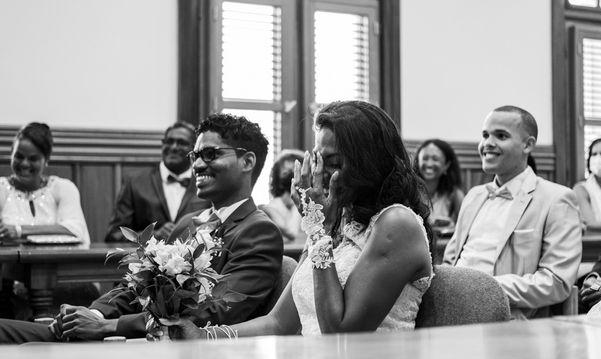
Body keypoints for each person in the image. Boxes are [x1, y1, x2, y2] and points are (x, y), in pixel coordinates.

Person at [162, 100, 434, 340]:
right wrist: (204, 335)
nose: (319, 173)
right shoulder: (337, 223)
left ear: (369, 163)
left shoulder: (396, 224)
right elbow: (277, 323)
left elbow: (341, 336)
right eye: (318, 160)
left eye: (334, 162)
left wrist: (317, 229)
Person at [0, 113, 283, 343]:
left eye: (210, 154)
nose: (197, 164)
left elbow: (213, 313)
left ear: (247, 161)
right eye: (194, 156)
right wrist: (95, 313)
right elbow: (137, 286)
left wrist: (108, 327)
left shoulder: (259, 232)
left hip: (174, 355)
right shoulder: (189, 223)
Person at [442, 106, 582, 319]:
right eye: (485, 135)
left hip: (508, 318)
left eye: (501, 136)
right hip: (451, 308)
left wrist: (482, 289)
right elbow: (449, 262)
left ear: (528, 144)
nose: (487, 143)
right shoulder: (473, 196)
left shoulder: (557, 199)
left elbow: (556, 282)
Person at [0, 122, 91, 319]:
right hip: (11, 281)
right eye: (18, 156)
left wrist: (18, 230)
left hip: (63, 277)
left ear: (46, 159)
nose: (24, 164)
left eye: (33, 158)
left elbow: (75, 230)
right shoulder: (1, 189)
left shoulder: (62, 188)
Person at [104, 121, 209, 242]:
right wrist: (151, 235)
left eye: (181, 143)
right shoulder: (134, 183)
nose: (174, 147)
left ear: (194, 148)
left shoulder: (205, 182)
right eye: (169, 142)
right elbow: (113, 235)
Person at [412, 139, 464, 227]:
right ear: (417, 162)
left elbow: (465, 227)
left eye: (435, 159)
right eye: (425, 158)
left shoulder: (455, 195)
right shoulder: (410, 192)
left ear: (446, 165)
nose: (429, 164)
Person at [259, 149, 305, 241]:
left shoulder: (311, 209)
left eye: (294, 171)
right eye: (286, 172)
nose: (290, 175)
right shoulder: (272, 207)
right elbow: (290, 233)